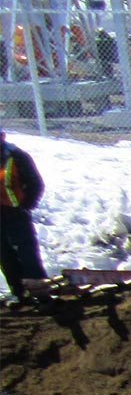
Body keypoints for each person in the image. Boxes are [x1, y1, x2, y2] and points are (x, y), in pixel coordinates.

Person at [0, 130, 46, 305]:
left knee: (26, 252)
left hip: (16, 214)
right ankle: (18, 293)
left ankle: (40, 293)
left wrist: (25, 206)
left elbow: (36, 184)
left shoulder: (16, 157)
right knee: (5, 255)